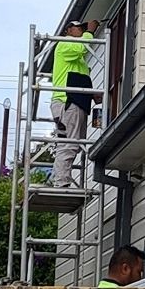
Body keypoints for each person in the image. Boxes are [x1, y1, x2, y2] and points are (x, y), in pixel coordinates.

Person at [50, 17, 100, 187]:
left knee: (73, 143)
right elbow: (82, 48)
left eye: (83, 28)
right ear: (69, 30)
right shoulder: (65, 44)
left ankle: (59, 179)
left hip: (74, 101)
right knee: (70, 143)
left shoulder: (78, 60)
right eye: (79, 28)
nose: (81, 30)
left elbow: (80, 78)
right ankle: (60, 182)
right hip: (67, 101)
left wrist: (91, 94)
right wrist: (90, 32)